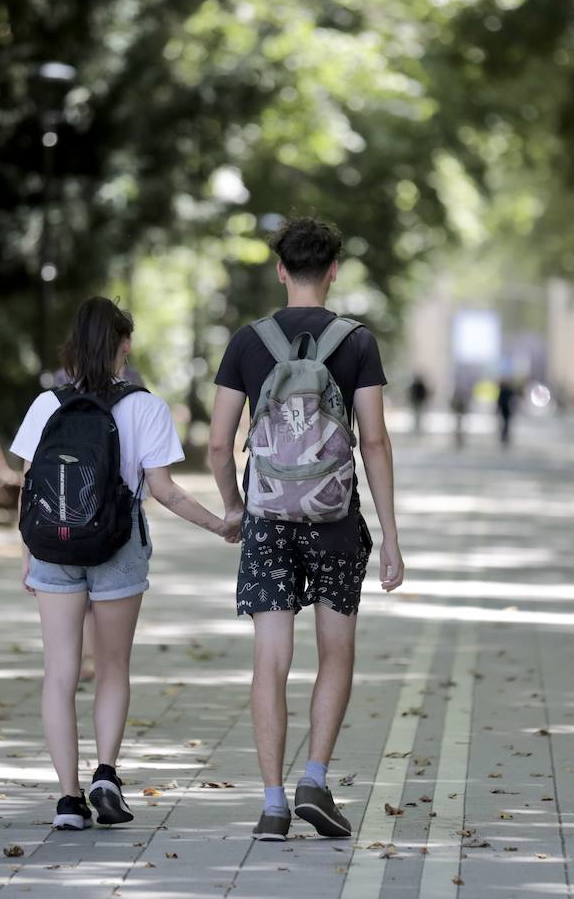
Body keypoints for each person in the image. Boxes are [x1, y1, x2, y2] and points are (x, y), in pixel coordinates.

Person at [208, 216, 405, 842]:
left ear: (280, 269)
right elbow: (372, 440)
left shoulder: (247, 341)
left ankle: (271, 803)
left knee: (270, 658)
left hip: (267, 517)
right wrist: (393, 539)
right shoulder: (357, 342)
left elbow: (218, 445)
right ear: (335, 270)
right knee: (335, 652)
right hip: (336, 519)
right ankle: (315, 776)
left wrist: (233, 506)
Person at [10, 297, 236, 832]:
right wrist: (222, 523)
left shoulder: (46, 405)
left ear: (72, 346)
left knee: (59, 674)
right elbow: (165, 492)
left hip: (53, 550)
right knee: (113, 668)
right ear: (124, 346)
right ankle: (106, 773)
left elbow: (28, 488)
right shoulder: (145, 407)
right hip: (118, 549)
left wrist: (27, 559)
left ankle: (68, 800)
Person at [496, 378, 517, 447]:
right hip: (507, 409)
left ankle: (504, 435)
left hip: (504, 409)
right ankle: (505, 435)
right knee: (506, 423)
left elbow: (498, 401)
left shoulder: (502, 391)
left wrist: (497, 409)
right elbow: (513, 399)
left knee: (504, 423)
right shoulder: (508, 391)